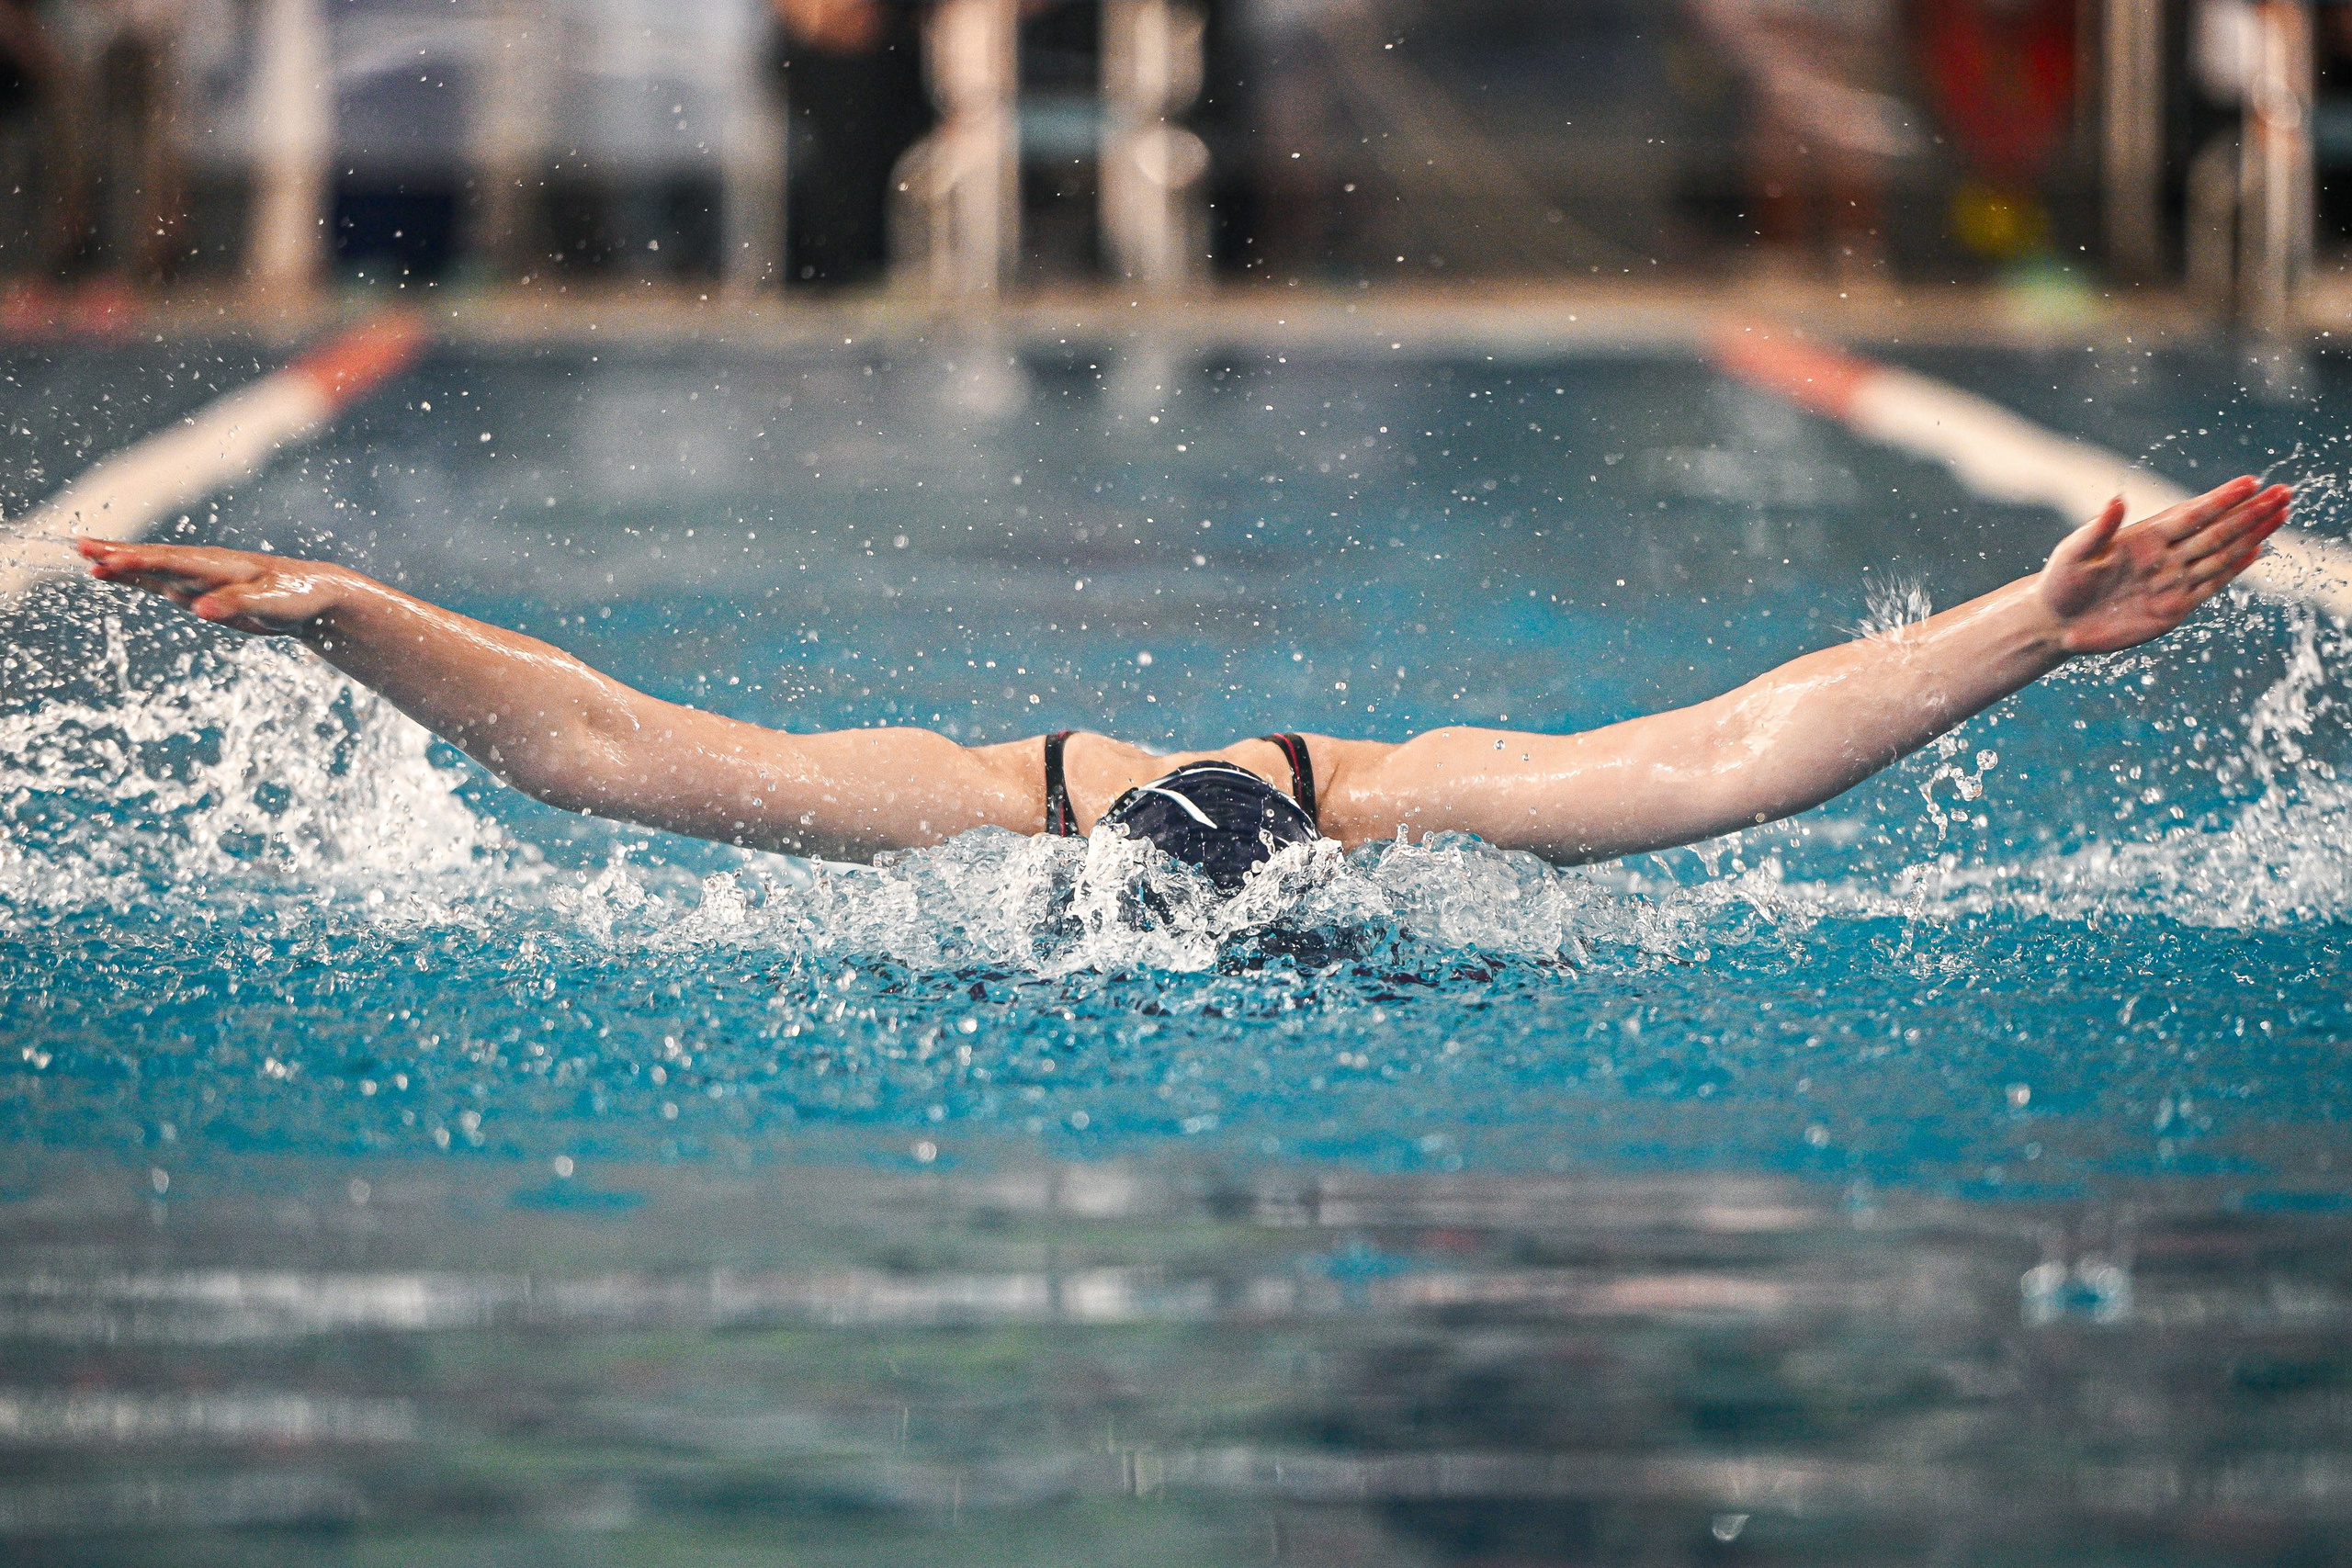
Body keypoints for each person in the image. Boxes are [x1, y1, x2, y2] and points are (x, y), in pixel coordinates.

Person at [74, 476, 2291, 888]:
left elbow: (1726, 760)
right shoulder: (964, 802)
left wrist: (2028, 627)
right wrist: (347, 608)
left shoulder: (1401, 801)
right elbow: (601, 749)